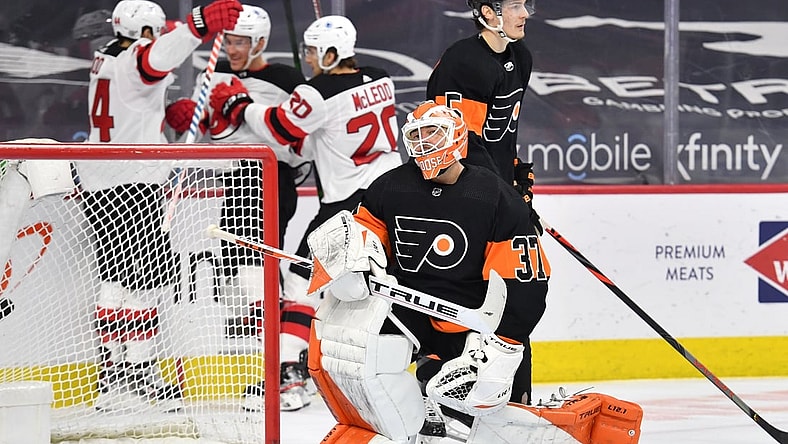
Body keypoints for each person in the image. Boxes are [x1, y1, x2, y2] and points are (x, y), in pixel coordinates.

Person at [301, 101, 550, 442]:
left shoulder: (494, 196)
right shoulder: (391, 187)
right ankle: (412, 422)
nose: (423, 144)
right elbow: (362, 237)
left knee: (505, 428)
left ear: (456, 138)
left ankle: (457, 389)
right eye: (416, 136)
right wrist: (351, 266)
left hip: (477, 326)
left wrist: (505, 347)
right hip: (411, 315)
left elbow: (527, 283)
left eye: (432, 134)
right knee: (362, 355)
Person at [207, 14, 402, 411]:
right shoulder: (380, 77)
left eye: (313, 52)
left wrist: (238, 104)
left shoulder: (318, 93)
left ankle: (288, 377)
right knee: (352, 294)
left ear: (332, 53)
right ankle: (320, 369)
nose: (307, 59)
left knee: (299, 285)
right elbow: (319, 136)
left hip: (347, 206)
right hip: (390, 197)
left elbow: (280, 128)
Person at [77, 0, 242, 412]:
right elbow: (153, 61)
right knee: (148, 281)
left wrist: (163, 115)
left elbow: (132, 99)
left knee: (115, 280)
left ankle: (112, 376)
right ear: (144, 33)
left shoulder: (106, 56)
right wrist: (196, 26)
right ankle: (136, 373)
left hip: (101, 181)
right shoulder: (135, 58)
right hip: (133, 184)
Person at [163, 4, 310, 412]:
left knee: (257, 280)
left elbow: (301, 140)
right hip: (237, 182)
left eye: (242, 41)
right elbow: (212, 136)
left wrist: (242, 107)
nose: (233, 47)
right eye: (229, 39)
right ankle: (291, 363)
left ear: (260, 41)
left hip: (271, 180)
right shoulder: (216, 75)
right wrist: (189, 120)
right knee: (242, 286)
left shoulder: (285, 79)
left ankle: (285, 375)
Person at [427, 0, 543, 407]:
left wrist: (512, 173)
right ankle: (449, 401)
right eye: (515, 5)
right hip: (461, 205)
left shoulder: (520, 57)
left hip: (496, 197)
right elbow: (454, 148)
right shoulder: (462, 62)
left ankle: (517, 402)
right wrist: (502, 194)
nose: (525, 13)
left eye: (526, 4)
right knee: (470, 306)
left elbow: (497, 137)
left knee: (518, 297)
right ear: (488, 14)